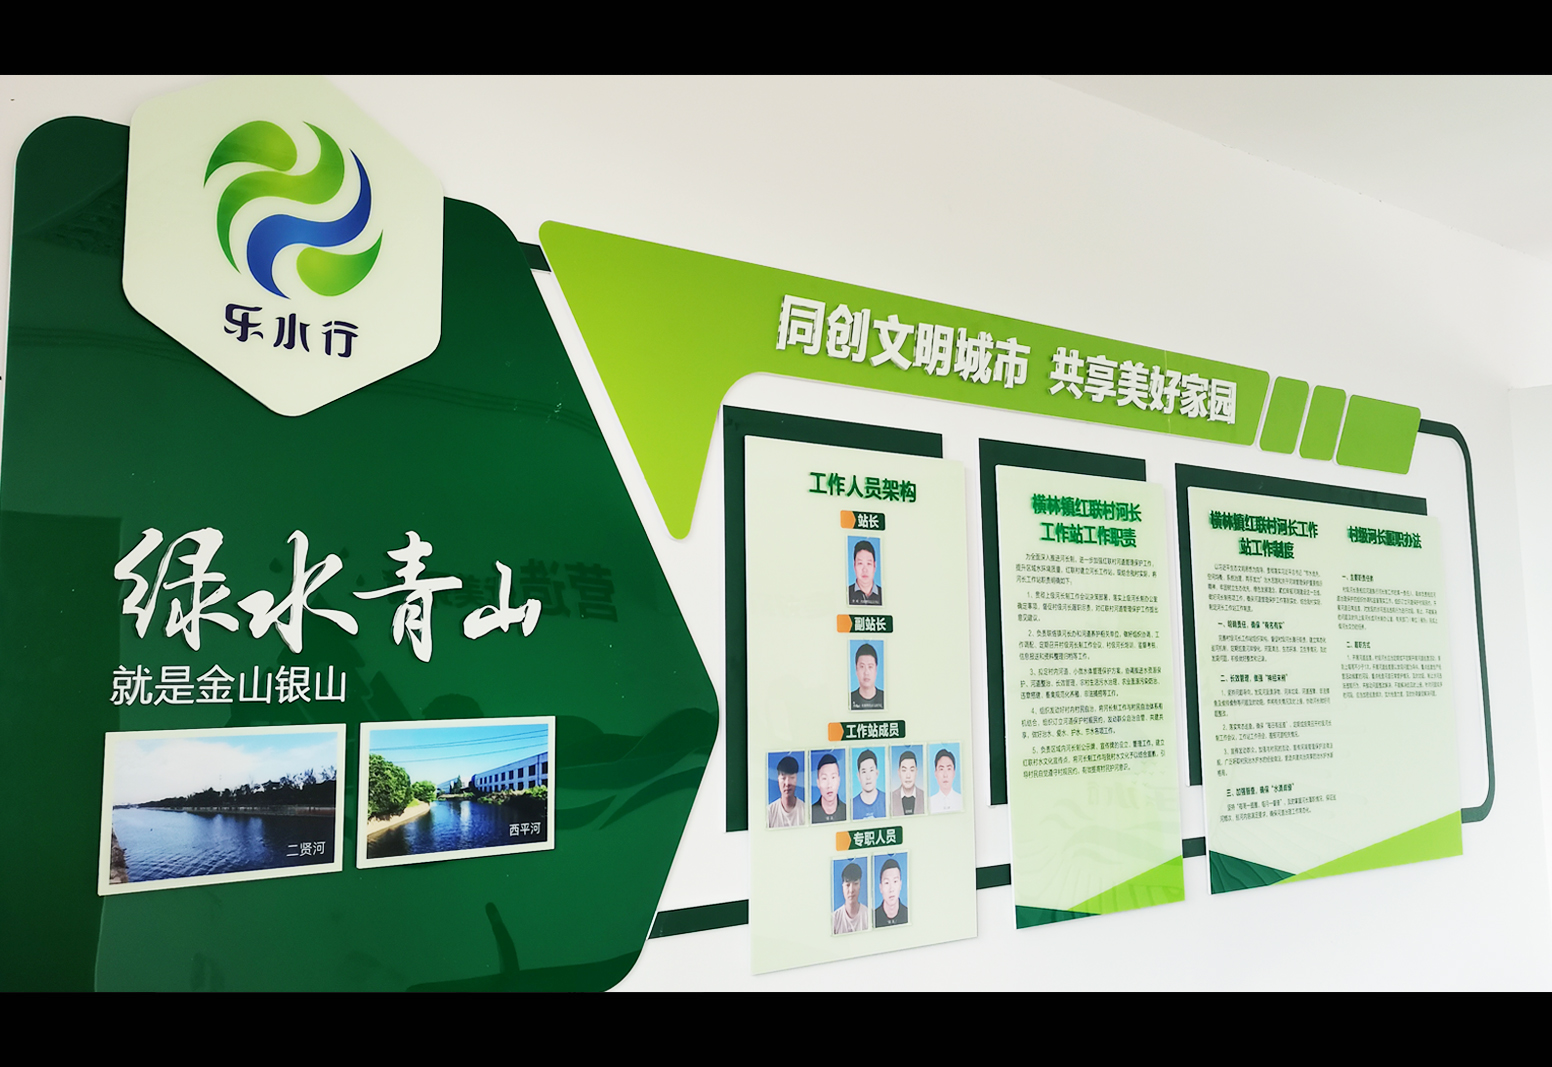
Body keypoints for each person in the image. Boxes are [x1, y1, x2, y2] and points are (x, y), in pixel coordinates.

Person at [767, 754, 806, 828]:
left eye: (792, 777)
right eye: (783, 778)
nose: (787, 783)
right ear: (778, 779)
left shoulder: (806, 811)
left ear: (797, 779)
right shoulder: (769, 812)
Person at [832, 861, 870, 934]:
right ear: (842, 886)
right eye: (847, 885)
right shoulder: (834, 919)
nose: (851, 890)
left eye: (855, 884)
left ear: (860, 886)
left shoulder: (869, 916)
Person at [889, 748, 928, 817]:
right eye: (904, 770)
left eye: (912, 770)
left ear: (916, 772)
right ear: (899, 772)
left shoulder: (925, 797)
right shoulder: (891, 798)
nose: (908, 776)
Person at [811, 753, 847, 823]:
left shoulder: (847, 812)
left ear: (839, 780)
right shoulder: (810, 814)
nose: (829, 785)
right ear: (818, 783)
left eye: (833, 777)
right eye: (824, 778)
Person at [851, 749, 886, 820]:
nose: (868, 777)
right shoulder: (851, 806)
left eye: (871, 770)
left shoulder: (887, 800)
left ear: (876, 773)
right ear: (858, 776)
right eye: (864, 772)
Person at [874, 857, 908, 927]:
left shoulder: (908, 914)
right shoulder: (873, 918)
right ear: (881, 887)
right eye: (887, 883)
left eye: (895, 881)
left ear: (900, 885)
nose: (891, 889)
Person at [850, 643, 884, 711]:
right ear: (856, 669)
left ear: (876, 669)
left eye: (870, 667)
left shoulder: (885, 698)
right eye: (862, 666)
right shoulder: (849, 699)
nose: (866, 672)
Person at [848, 540, 882, 605]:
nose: (864, 570)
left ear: (874, 566)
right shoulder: (845, 593)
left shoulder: (884, 594)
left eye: (869, 563)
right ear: (854, 565)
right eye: (860, 563)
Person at [930, 748, 962, 813]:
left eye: (949, 769)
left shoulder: (961, 800)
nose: (945, 775)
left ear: (954, 772)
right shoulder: (930, 802)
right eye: (941, 769)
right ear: (935, 773)